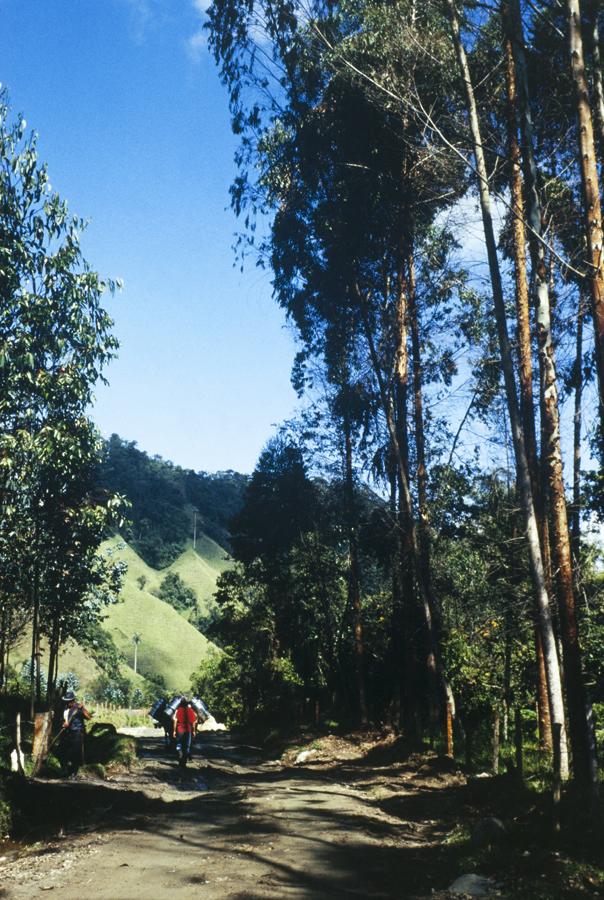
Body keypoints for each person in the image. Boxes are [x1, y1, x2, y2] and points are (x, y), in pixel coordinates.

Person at [59, 690, 92, 778]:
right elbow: (64, 719)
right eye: (66, 701)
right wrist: (63, 724)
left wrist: (83, 709)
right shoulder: (65, 708)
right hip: (67, 733)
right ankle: (65, 771)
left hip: (77, 733)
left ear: (72, 700)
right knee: (61, 751)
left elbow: (89, 717)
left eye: (68, 701)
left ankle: (74, 773)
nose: (67, 703)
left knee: (75, 754)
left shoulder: (78, 708)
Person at [172, 697, 197, 768]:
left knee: (178, 745)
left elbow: (175, 721)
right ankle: (184, 762)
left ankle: (180, 755)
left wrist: (174, 731)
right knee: (186, 746)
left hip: (179, 731)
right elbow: (194, 722)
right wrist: (194, 731)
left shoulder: (177, 711)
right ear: (187, 703)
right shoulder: (191, 710)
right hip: (188, 731)